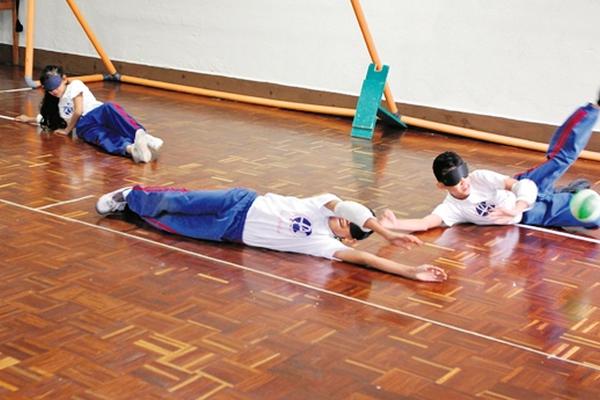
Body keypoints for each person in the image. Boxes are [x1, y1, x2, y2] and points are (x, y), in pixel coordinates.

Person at [95, 185, 448, 282]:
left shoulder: (323, 245)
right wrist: (386, 233)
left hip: (230, 232)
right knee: (181, 201)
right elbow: (350, 209)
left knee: (173, 225)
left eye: (349, 230)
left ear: (349, 238)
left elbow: (365, 260)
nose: (342, 222)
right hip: (242, 200)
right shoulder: (323, 202)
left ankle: (130, 210)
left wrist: (410, 272)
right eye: (347, 218)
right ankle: (131, 195)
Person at [379, 95, 600, 238]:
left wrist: (516, 207)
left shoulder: (479, 178)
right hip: (533, 214)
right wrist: (394, 224)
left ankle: (593, 108)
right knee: (589, 214)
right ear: (441, 186)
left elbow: (521, 185)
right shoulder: (452, 209)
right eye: (453, 181)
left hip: (526, 189)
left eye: (463, 175)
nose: (463, 183)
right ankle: (571, 194)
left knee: (560, 159)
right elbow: (426, 223)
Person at [15, 65, 163, 163]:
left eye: (56, 86)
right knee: (102, 137)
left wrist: (67, 131)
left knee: (111, 109)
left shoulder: (75, 85)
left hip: (96, 112)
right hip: (84, 127)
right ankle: (132, 150)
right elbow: (47, 120)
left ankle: (142, 136)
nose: (54, 91)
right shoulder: (58, 106)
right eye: (50, 89)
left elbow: (79, 110)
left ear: (64, 79)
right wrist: (28, 118)